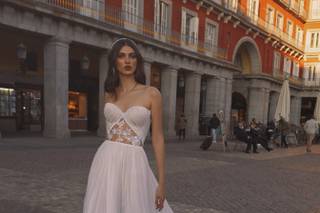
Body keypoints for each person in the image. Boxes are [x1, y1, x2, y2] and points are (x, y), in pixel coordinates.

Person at [83, 38, 173, 213]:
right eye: (122, 56)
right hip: (106, 160)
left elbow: (158, 138)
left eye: (132, 56)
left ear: (137, 61)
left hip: (135, 161)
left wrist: (162, 182)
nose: (127, 61)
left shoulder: (152, 93)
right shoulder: (109, 93)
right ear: (114, 62)